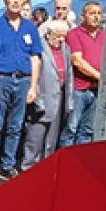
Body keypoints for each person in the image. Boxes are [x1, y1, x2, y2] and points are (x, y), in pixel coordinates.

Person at [0, 0, 41, 180]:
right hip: (1, 79)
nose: (16, 1)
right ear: (5, 1)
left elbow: (35, 59)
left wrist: (33, 87)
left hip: (23, 81)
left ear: (25, 2)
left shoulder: (31, 28)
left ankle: (7, 164)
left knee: (15, 126)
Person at [23, 19, 70, 169]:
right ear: (48, 34)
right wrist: (35, 94)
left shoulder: (66, 49)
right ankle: (28, 168)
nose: (61, 40)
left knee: (51, 140)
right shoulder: (40, 48)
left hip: (58, 98)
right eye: (58, 36)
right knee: (35, 138)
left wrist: (69, 100)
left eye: (64, 36)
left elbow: (69, 74)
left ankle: (46, 168)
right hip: (42, 97)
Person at [60, 1, 104, 147]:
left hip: (97, 90)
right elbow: (78, 61)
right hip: (79, 89)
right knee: (71, 128)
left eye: (99, 13)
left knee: (87, 130)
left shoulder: (105, 36)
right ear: (83, 16)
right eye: (92, 13)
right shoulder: (74, 34)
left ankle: (80, 164)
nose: (96, 17)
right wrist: (101, 77)